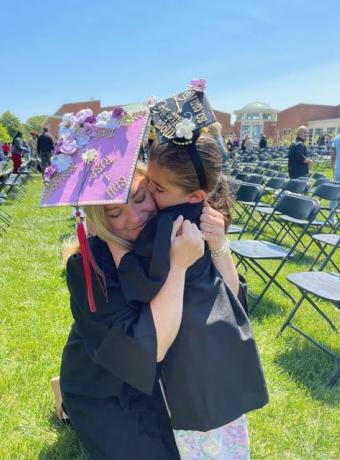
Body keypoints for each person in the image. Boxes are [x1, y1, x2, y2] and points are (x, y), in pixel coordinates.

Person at [60, 164, 205, 459]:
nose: (135, 218)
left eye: (140, 198)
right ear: (99, 219)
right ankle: (67, 401)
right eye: (115, 213)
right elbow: (144, 349)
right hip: (103, 385)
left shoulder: (170, 229)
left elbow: (230, 305)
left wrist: (219, 245)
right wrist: (178, 267)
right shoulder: (87, 266)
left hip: (160, 380)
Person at [330, 134, 340, 223]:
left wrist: (333, 169)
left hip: (338, 170)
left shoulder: (337, 138)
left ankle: (331, 219)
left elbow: (333, 156)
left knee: (334, 194)